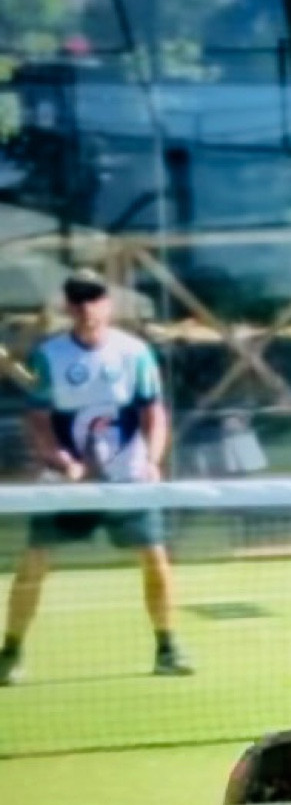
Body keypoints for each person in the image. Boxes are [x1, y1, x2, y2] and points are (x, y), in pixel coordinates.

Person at [0, 270, 194, 687]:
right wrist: (58, 459)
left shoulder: (135, 353)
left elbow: (154, 413)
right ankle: (10, 652)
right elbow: (38, 418)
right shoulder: (49, 356)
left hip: (127, 478)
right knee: (35, 562)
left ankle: (168, 647)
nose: (87, 307)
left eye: (94, 298)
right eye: (78, 300)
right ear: (69, 307)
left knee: (154, 558)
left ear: (108, 304)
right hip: (67, 485)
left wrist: (152, 460)